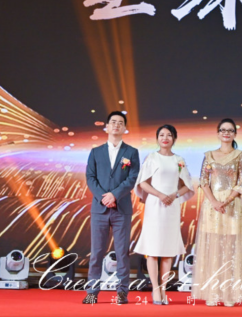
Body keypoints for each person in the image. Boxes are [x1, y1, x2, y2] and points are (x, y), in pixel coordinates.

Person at [191, 118, 242, 306]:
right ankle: (213, 293)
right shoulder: (209, 155)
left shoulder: (240, 155)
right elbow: (203, 181)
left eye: (230, 130)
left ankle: (229, 294)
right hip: (212, 205)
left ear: (235, 134)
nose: (226, 133)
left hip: (232, 205)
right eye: (223, 130)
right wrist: (214, 202)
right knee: (213, 247)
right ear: (218, 133)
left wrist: (225, 201)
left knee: (231, 248)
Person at [83, 111, 140, 305]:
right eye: (113, 122)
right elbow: (90, 177)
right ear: (106, 127)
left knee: (122, 252)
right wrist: (104, 197)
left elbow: (132, 178)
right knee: (97, 252)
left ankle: (122, 292)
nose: (116, 125)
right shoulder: (96, 152)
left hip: (121, 208)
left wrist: (114, 195)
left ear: (125, 128)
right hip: (99, 209)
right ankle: (92, 292)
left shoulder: (131, 152)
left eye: (120, 122)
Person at [133, 124, 194, 305]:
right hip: (155, 205)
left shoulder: (179, 160)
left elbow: (187, 185)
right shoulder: (152, 157)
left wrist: (174, 195)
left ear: (174, 138)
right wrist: (159, 195)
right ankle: (155, 289)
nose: (165, 138)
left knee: (168, 250)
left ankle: (164, 289)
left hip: (171, 207)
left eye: (169, 135)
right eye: (161, 135)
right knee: (153, 249)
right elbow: (143, 183)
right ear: (157, 138)